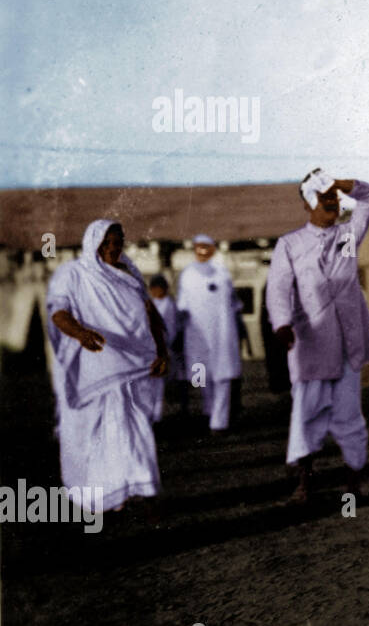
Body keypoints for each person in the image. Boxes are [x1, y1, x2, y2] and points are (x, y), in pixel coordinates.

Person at [267, 170, 369, 502]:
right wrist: (282, 323)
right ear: (308, 205)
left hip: (348, 341)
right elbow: (278, 288)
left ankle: (355, 480)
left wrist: (342, 184)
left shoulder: (347, 236)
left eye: (334, 198)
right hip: (310, 342)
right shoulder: (290, 244)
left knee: (348, 412)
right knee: (307, 412)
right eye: (324, 198)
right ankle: (305, 483)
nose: (332, 204)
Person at [46, 220, 168, 514]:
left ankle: (136, 489)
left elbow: (150, 315)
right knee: (97, 434)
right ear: (93, 243)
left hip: (134, 365)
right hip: (95, 367)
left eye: (117, 241)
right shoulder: (73, 274)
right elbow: (59, 313)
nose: (113, 248)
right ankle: (105, 497)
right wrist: (80, 333)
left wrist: (162, 350)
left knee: (134, 427)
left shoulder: (130, 274)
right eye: (106, 242)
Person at [176, 235, 242, 433]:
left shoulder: (223, 274)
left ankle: (219, 422)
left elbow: (234, 304)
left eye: (207, 247)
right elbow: (182, 307)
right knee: (201, 377)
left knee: (223, 376)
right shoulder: (187, 275)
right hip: (198, 336)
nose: (203, 250)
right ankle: (209, 412)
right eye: (199, 247)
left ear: (213, 249)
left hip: (223, 335)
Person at [142, 275, 181, 424]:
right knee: (149, 386)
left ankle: (156, 417)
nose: (154, 291)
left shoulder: (169, 305)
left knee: (158, 387)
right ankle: (150, 416)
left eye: (157, 289)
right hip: (149, 350)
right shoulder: (151, 303)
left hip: (162, 349)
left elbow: (171, 330)